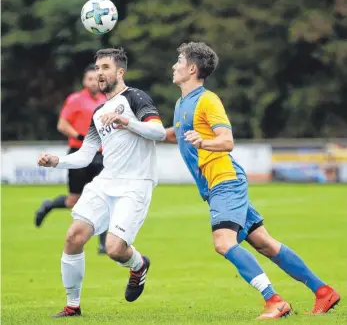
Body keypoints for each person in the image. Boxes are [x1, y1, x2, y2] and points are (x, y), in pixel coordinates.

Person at [165, 42, 340, 320]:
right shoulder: (181, 103)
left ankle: (274, 301)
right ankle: (323, 291)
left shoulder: (207, 100)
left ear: (192, 68)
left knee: (223, 242)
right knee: (265, 244)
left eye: (179, 60)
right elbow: (175, 133)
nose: (174, 65)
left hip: (225, 180)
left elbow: (227, 140)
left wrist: (205, 141)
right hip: (215, 185)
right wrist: (132, 129)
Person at [37, 48, 166, 318]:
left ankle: (139, 264)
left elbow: (157, 132)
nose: (100, 73)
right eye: (97, 68)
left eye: (105, 67)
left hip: (135, 184)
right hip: (105, 182)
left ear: (120, 72)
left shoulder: (135, 97)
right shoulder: (98, 111)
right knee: (73, 237)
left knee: (114, 249)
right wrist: (56, 161)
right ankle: (73, 305)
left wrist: (126, 121)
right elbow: (86, 154)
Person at [34, 64, 108, 254]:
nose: (94, 82)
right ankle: (49, 206)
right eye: (90, 79)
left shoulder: (105, 100)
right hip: (78, 152)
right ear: (84, 81)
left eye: (97, 79)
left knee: (104, 197)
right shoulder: (75, 100)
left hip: (100, 155)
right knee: (73, 200)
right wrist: (80, 136)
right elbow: (62, 124)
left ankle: (103, 243)